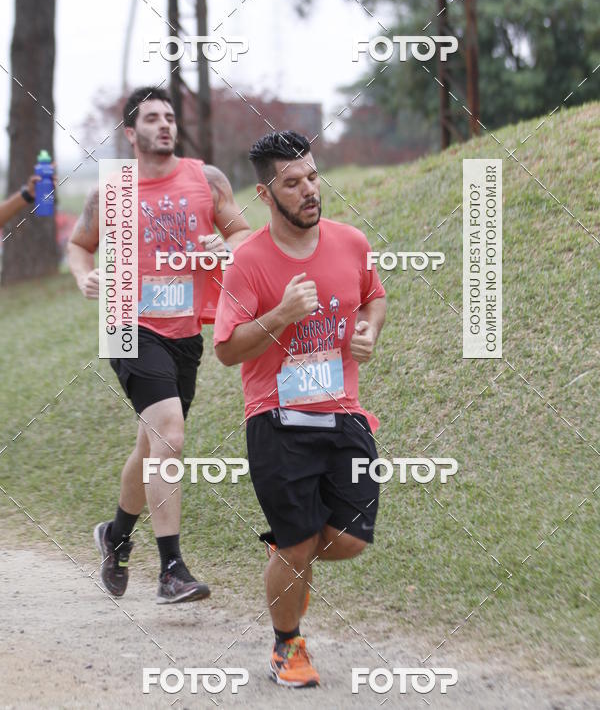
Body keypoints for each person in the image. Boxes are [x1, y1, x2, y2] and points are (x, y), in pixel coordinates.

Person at [213, 131, 386, 687]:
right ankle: (287, 646)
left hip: (345, 413)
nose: (309, 190)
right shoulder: (248, 263)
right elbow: (226, 349)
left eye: (312, 176)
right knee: (297, 541)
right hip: (276, 418)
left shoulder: (351, 241)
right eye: (293, 183)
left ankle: (288, 557)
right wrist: (282, 314)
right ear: (266, 194)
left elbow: (374, 295)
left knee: (352, 538)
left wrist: (368, 329)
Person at [67, 86, 251, 603]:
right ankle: (171, 568)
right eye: (152, 118)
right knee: (169, 432)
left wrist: (226, 243)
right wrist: (84, 276)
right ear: (131, 132)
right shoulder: (113, 191)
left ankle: (115, 535)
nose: (165, 124)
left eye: (170, 116)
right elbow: (80, 246)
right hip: (127, 322)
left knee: (153, 444)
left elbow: (243, 234)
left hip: (184, 328)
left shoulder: (206, 179)